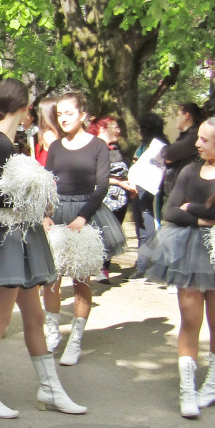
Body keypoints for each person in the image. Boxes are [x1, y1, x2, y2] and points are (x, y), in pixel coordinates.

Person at [0, 78, 85, 419]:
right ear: (24, 109)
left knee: (34, 316)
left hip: (18, 236)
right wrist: (35, 197)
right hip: (6, 238)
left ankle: (50, 389)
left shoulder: (1, 140)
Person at [139, 114, 215, 417]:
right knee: (190, 320)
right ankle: (187, 388)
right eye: (198, 137)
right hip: (187, 250)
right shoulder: (190, 169)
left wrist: (193, 209)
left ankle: (214, 384)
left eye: (204, 139)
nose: (197, 143)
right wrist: (201, 216)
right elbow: (170, 211)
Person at [42, 93, 127, 366]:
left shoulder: (98, 146)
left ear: (82, 115)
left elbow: (102, 186)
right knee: (50, 276)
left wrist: (82, 217)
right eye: (60, 114)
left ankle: (76, 339)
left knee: (81, 279)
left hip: (86, 214)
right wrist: (45, 214)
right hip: (56, 214)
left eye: (69, 113)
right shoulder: (55, 146)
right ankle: (52, 330)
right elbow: (47, 182)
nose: (63, 118)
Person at [88, 117, 135, 282]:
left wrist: (128, 186)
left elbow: (121, 171)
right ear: (102, 127)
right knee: (103, 232)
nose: (118, 130)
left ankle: (104, 267)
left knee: (113, 234)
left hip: (120, 199)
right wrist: (119, 182)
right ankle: (99, 269)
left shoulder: (115, 148)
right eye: (115, 126)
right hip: (103, 198)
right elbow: (93, 176)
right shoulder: (93, 148)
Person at [130, 113, 168, 277]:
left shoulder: (160, 146)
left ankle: (146, 267)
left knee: (150, 228)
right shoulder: (144, 145)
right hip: (137, 191)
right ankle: (143, 263)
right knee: (141, 230)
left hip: (151, 192)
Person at [162, 102, 205, 201]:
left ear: (186, 115)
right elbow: (169, 159)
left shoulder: (194, 135)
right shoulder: (185, 135)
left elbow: (168, 153)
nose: (176, 118)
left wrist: (164, 151)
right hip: (178, 190)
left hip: (187, 193)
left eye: (178, 114)